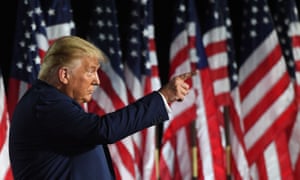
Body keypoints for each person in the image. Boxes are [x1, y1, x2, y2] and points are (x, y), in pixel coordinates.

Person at [9, 35, 195, 180]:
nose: (97, 80)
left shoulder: (49, 101)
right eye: (90, 71)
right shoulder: (46, 103)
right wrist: (164, 97)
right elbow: (103, 130)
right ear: (64, 75)